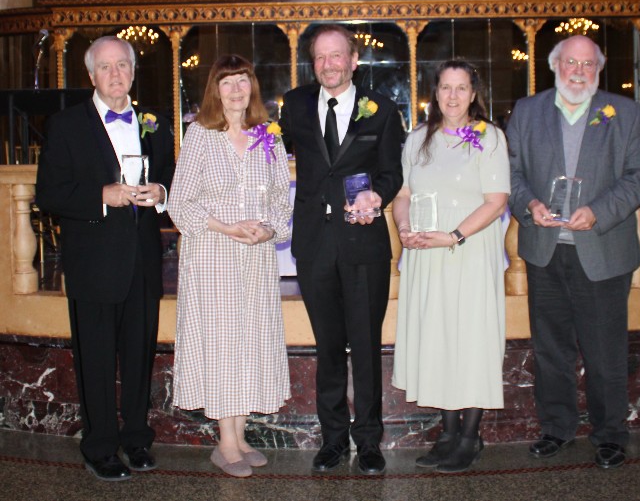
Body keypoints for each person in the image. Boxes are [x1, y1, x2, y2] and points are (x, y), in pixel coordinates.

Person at [507, 34, 640, 469]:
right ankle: (556, 428)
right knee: (551, 348)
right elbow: (510, 171)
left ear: (599, 70)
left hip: (602, 248)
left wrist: (599, 211)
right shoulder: (528, 111)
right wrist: (528, 205)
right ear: (555, 66)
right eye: (570, 62)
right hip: (544, 249)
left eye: (587, 65)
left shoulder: (625, 113)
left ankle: (610, 434)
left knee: (605, 350)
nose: (578, 71)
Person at [35, 35, 174, 481]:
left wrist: (162, 193)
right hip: (93, 261)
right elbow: (49, 194)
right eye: (106, 67)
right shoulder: (66, 125)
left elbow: (172, 178)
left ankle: (136, 438)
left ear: (133, 71)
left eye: (123, 66)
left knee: (139, 355)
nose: (116, 75)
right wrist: (102, 195)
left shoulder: (155, 122)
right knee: (94, 357)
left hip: (143, 261)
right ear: (91, 75)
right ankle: (99, 446)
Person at [279, 24, 403, 475]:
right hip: (314, 244)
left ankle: (369, 441)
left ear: (354, 60)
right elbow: (274, 157)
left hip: (364, 244)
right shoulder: (293, 105)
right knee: (328, 346)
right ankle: (332, 440)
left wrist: (378, 195)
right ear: (313, 63)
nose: (328, 64)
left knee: (366, 345)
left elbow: (392, 173)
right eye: (320, 57)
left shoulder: (383, 110)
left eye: (337, 56)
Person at [168, 55, 293, 478]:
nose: (236, 90)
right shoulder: (201, 135)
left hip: (255, 257)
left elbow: (281, 199)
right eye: (227, 83)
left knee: (249, 343)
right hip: (213, 255)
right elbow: (180, 202)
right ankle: (225, 443)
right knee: (223, 345)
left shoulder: (269, 137)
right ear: (214, 90)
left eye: (243, 81)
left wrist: (268, 229)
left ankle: (239, 438)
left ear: (252, 87)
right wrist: (226, 226)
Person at [391, 60, 510, 473]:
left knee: (471, 340)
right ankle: (446, 432)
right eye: (446, 87)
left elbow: (496, 201)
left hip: (469, 252)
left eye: (462, 88)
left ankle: (469, 435)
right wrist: (404, 225)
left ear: (474, 94)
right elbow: (402, 194)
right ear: (435, 93)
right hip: (427, 255)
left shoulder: (488, 137)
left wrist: (454, 236)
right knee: (437, 339)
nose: (453, 96)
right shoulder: (418, 139)